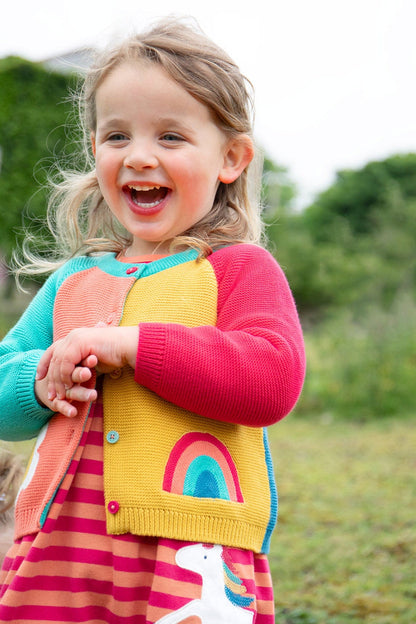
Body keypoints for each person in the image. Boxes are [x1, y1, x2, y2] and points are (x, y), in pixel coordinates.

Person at [0, 17, 305, 623]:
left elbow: (270, 382)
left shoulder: (238, 269)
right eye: (117, 136)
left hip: (191, 555)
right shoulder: (72, 281)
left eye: (170, 137)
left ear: (232, 158)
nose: (139, 156)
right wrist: (40, 380)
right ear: (96, 151)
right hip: (60, 551)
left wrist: (133, 345)